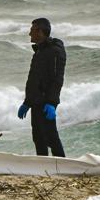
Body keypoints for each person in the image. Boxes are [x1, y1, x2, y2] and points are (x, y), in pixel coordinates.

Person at [17, 18, 66, 157]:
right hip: (36, 101)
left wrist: (51, 103)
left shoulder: (55, 51)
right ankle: (42, 164)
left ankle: (61, 165)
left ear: (40, 31)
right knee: (38, 137)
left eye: (32, 30)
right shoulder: (40, 51)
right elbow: (34, 80)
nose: (29, 33)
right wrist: (27, 102)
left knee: (51, 137)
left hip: (46, 102)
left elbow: (57, 79)